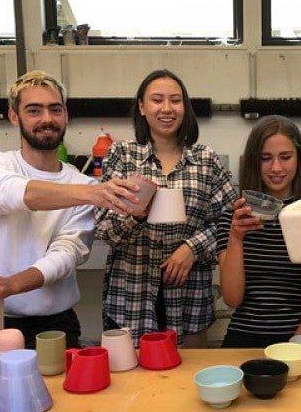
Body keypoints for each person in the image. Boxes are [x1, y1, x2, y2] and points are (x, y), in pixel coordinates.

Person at [0, 70, 138, 348]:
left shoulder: (81, 184)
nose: (47, 119)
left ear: (66, 115)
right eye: (34, 110)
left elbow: (66, 254)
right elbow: (14, 194)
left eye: (54, 109)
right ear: (14, 116)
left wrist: (13, 284)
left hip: (55, 324)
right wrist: (92, 192)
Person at [95, 69, 236, 348]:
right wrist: (136, 215)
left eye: (175, 100)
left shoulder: (205, 159)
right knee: (131, 384)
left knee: (188, 381)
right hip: (131, 298)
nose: (167, 108)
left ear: (185, 107)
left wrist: (192, 248)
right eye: (157, 100)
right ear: (142, 107)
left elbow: (230, 220)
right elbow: (104, 230)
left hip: (189, 299)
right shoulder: (122, 155)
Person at [216, 115, 301, 348]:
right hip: (243, 338)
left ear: (298, 159)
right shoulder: (234, 216)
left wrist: (292, 348)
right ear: (253, 161)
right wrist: (236, 237)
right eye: (265, 158)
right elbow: (232, 299)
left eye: (285, 157)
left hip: (299, 340)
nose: (276, 168)